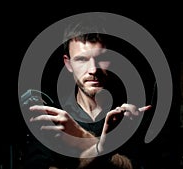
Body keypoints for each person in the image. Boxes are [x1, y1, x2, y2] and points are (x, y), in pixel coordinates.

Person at [21, 18, 153, 169]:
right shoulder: (52, 120)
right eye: (82, 59)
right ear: (68, 64)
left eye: (101, 58)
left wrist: (80, 139)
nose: (93, 70)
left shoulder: (133, 116)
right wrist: (98, 147)